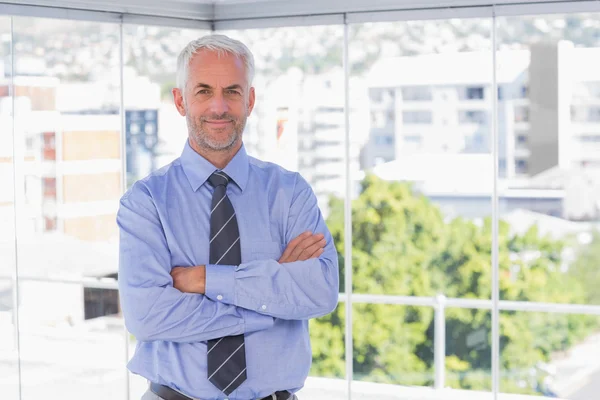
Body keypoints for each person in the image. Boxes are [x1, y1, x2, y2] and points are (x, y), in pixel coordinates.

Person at [117, 34, 339, 400]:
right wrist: (269, 305)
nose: (218, 107)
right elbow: (147, 316)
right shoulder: (146, 203)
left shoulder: (290, 192)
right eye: (203, 91)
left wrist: (203, 279)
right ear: (180, 100)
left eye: (232, 92)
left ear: (249, 101)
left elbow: (320, 291)